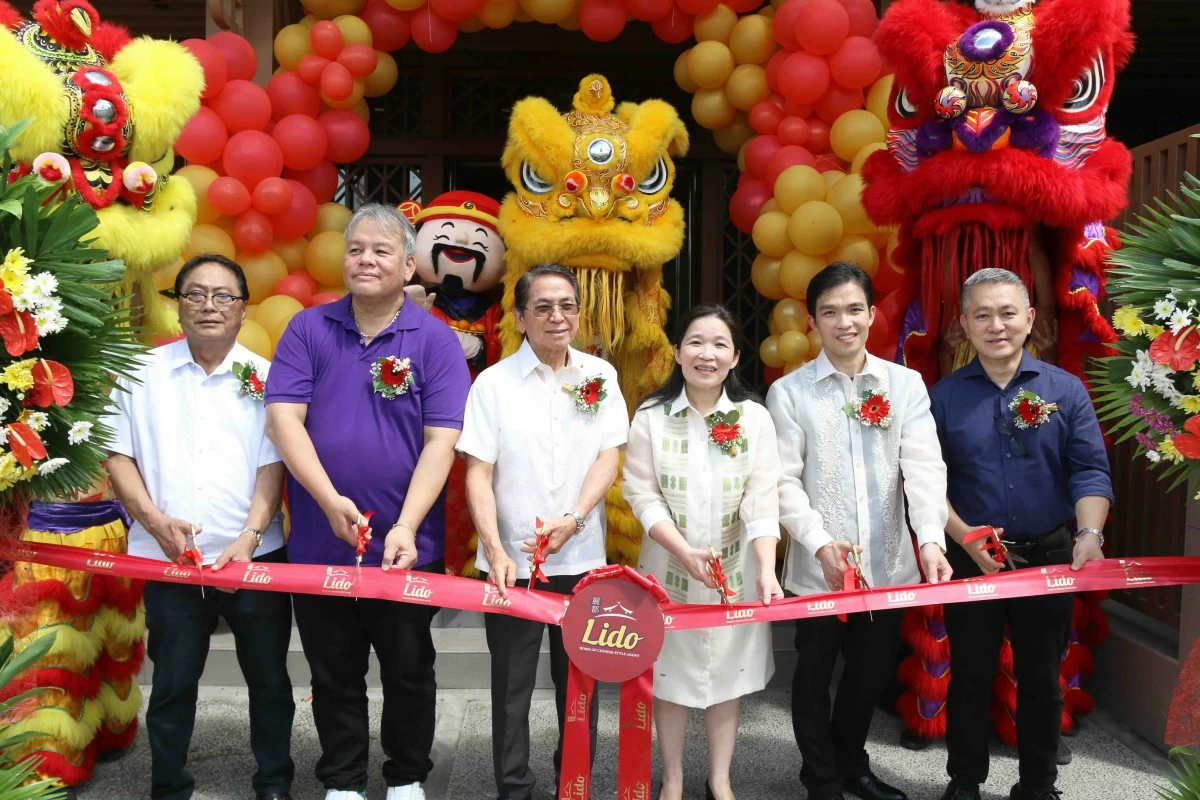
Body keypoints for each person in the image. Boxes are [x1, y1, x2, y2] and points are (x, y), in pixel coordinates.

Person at [265, 204, 471, 800]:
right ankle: (344, 782)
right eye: (356, 249)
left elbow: (442, 442)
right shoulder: (308, 328)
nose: (366, 260)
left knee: (409, 668)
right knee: (333, 671)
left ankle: (407, 776)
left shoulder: (434, 340)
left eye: (382, 251)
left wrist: (406, 525)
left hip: (408, 546)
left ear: (409, 264)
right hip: (317, 541)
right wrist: (328, 501)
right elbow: (284, 419)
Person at [104, 254, 293, 800]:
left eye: (223, 296)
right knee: (172, 682)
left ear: (242, 307)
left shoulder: (266, 378)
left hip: (254, 554)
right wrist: (155, 521)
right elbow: (118, 457)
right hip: (168, 555)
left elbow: (272, 464)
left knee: (270, 680)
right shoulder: (140, 374)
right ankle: (169, 785)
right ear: (179, 305)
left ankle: (275, 783)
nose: (209, 306)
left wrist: (250, 537)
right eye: (196, 294)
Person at [766, 262, 953, 800]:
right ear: (812, 321)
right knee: (812, 675)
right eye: (830, 312)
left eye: (854, 310)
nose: (843, 322)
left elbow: (922, 467)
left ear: (872, 314)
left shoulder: (906, 384)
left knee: (869, 675)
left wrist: (931, 541)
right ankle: (820, 780)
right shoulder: (790, 392)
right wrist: (819, 543)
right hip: (817, 568)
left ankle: (852, 765)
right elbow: (783, 480)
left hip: (888, 564)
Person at [931, 268, 1110, 800]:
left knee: (1040, 677)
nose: (996, 325)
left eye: (1008, 312)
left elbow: (1090, 470)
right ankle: (964, 782)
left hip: (1050, 555)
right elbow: (924, 481)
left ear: (1029, 318)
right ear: (964, 324)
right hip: (972, 555)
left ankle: (1038, 784)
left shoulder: (1065, 390)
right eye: (981, 314)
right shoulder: (942, 397)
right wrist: (963, 537)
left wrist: (1090, 532)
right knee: (970, 673)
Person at [456, 263, 626, 800]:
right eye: (544, 307)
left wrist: (575, 517)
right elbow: (477, 472)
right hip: (512, 568)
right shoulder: (493, 383)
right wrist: (495, 549)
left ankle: (572, 784)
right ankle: (514, 788)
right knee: (511, 688)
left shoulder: (600, 376)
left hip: (583, 561)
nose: (558, 317)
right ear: (521, 317)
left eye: (567, 306)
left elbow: (610, 454)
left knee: (581, 685)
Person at [622, 304, 783, 800]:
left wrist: (764, 569)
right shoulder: (651, 415)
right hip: (667, 571)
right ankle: (671, 778)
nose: (705, 354)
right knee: (669, 679)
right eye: (695, 342)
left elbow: (761, 499)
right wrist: (682, 549)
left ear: (735, 357)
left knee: (726, 677)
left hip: (733, 573)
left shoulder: (753, 418)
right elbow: (642, 494)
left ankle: (720, 777)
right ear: (676, 352)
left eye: (719, 344)